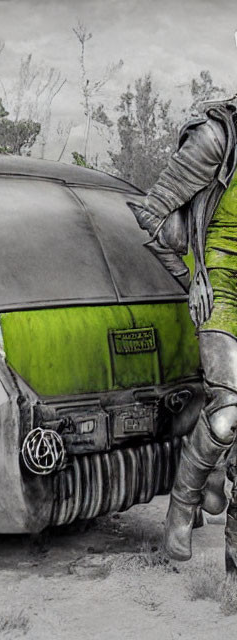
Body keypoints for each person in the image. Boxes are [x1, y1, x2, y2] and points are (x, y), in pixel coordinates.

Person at [129, 96, 237, 568]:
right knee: (228, 414)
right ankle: (182, 504)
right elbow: (150, 215)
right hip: (221, 285)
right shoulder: (214, 137)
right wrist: (189, 278)